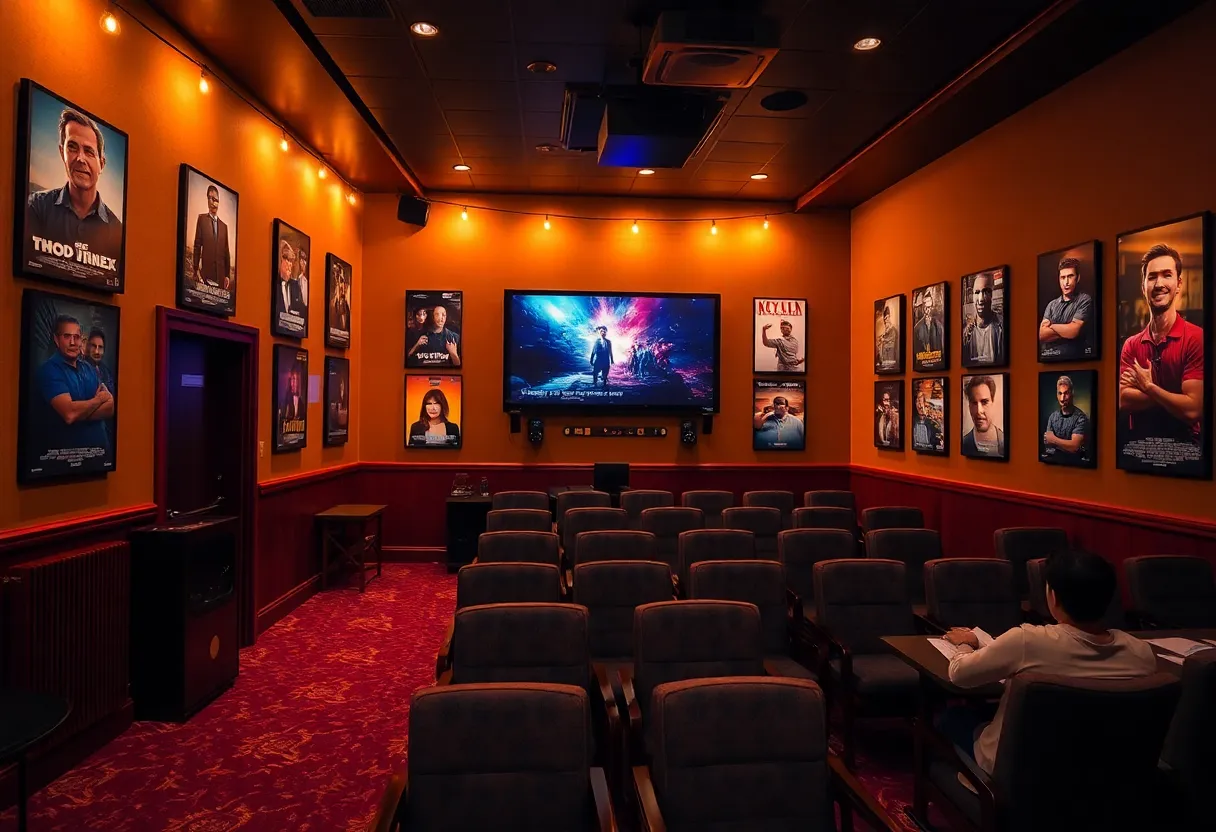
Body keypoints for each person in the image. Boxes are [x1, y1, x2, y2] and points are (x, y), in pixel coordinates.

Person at [938, 550, 1157, 776]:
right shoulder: (1141, 652)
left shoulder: (1026, 641)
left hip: (1019, 771)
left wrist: (966, 643)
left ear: (1053, 596)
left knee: (951, 717)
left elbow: (959, 674)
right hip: (1103, 769)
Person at [1118, 243, 1204, 446]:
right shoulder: (1131, 345)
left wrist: (1148, 387)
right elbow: (1123, 400)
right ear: (1143, 286)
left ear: (1179, 284)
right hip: (1141, 448)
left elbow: (1193, 409)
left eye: (1167, 275)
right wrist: (1174, 396)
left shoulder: (1196, 337)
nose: (1159, 284)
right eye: (1152, 277)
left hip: (1184, 449)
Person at [25, 108, 124, 276]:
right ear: (62, 153)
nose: (80, 158)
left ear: (101, 164)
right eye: (72, 147)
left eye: (89, 151)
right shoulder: (37, 206)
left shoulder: (116, 230)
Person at [35, 314, 113, 455]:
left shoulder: (88, 368)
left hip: (100, 456)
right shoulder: (49, 370)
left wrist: (79, 412)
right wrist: (98, 401)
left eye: (76, 337)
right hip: (65, 458)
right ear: (56, 339)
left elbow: (110, 408)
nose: (72, 342)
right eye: (67, 336)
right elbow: (70, 414)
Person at [1038, 256, 1094, 360]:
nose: (1066, 282)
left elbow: (1073, 331)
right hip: (1050, 358)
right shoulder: (1052, 304)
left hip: (1075, 358)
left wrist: (1052, 326)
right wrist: (1065, 329)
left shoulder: (1084, 299)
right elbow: (1042, 334)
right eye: (1062, 277)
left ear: (1078, 278)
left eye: (1070, 276)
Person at [191, 184, 231, 289]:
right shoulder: (202, 219)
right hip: (205, 275)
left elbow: (226, 252)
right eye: (210, 198)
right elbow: (197, 246)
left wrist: (227, 275)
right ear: (207, 200)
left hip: (220, 277)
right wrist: (195, 269)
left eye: (215, 199)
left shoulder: (224, 227)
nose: (213, 202)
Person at [1043, 375, 1089, 464]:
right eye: (1060, 393)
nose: (1062, 398)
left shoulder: (1080, 417)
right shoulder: (1053, 417)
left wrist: (1053, 440)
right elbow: (1048, 446)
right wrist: (1066, 445)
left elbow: (1075, 447)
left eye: (1066, 393)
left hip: (1075, 466)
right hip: (1054, 465)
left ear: (1072, 393)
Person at [963, 273, 1004, 365]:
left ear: (992, 295)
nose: (981, 299)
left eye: (986, 292)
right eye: (977, 292)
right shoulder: (965, 332)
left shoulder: (1002, 326)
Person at [85, 328, 116, 445]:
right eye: (93, 346)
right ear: (87, 347)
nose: (97, 351)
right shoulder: (81, 369)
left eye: (100, 347)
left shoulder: (106, 371)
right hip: (87, 433)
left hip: (107, 432)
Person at [961, 375, 1005, 457]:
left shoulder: (1005, 442)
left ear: (993, 403)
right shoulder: (964, 443)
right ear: (969, 406)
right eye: (974, 403)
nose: (979, 411)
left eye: (984, 402)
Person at [273, 239, 305, 329]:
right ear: (280, 260)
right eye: (287, 260)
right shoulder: (274, 285)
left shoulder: (295, 286)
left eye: (291, 261)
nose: (290, 265)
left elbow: (302, 313)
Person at [914, 288, 944, 364]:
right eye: (926, 308)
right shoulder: (917, 328)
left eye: (930, 307)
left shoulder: (938, 326)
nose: (928, 310)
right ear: (923, 308)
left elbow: (941, 347)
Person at [329, 262, 351, 335]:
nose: (336, 274)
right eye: (334, 271)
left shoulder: (346, 288)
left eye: (337, 271)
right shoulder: (332, 290)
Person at [876, 304, 898, 369]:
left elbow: (892, 338)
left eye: (887, 318)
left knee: (889, 365)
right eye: (885, 318)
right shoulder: (886, 330)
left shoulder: (893, 329)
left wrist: (884, 340)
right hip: (885, 351)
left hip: (890, 350)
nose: (886, 320)